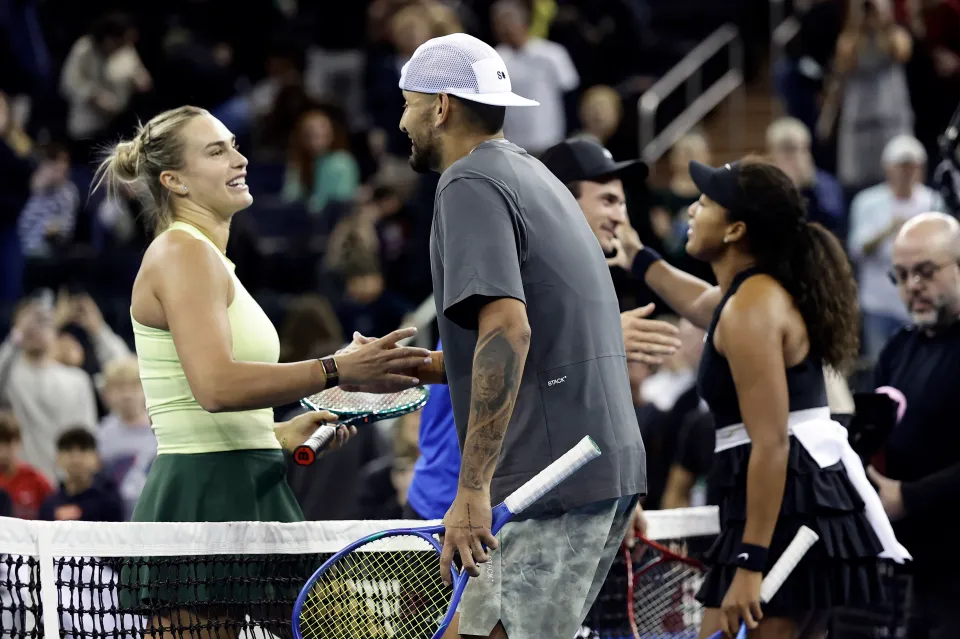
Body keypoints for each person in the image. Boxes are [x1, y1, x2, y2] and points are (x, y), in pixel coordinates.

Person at [91, 105, 433, 637]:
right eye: (216, 150)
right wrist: (337, 369)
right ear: (173, 180)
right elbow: (215, 387)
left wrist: (272, 433)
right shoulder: (183, 254)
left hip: (248, 482)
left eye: (233, 144)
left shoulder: (209, 260)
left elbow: (201, 400)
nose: (240, 157)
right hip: (201, 500)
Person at [397, 33, 646, 639]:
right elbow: (535, 333)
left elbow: (508, 328)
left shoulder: (467, 182)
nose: (401, 121)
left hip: (543, 474)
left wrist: (473, 487)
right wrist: (417, 367)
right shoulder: (530, 174)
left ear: (441, 106)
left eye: (406, 103)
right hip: (592, 465)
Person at [608, 157, 911, 638]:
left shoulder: (752, 306)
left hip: (784, 508)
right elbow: (695, 300)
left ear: (735, 230)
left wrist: (751, 562)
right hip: (792, 501)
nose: (691, 210)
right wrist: (637, 253)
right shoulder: (747, 295)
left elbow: (771, 444)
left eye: (704, 203)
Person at [866, 213, 960, 639]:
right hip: (908, 567)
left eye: (925, 272)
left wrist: (909, 497)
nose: (912, 286)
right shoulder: (900, 348)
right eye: (901, 275)